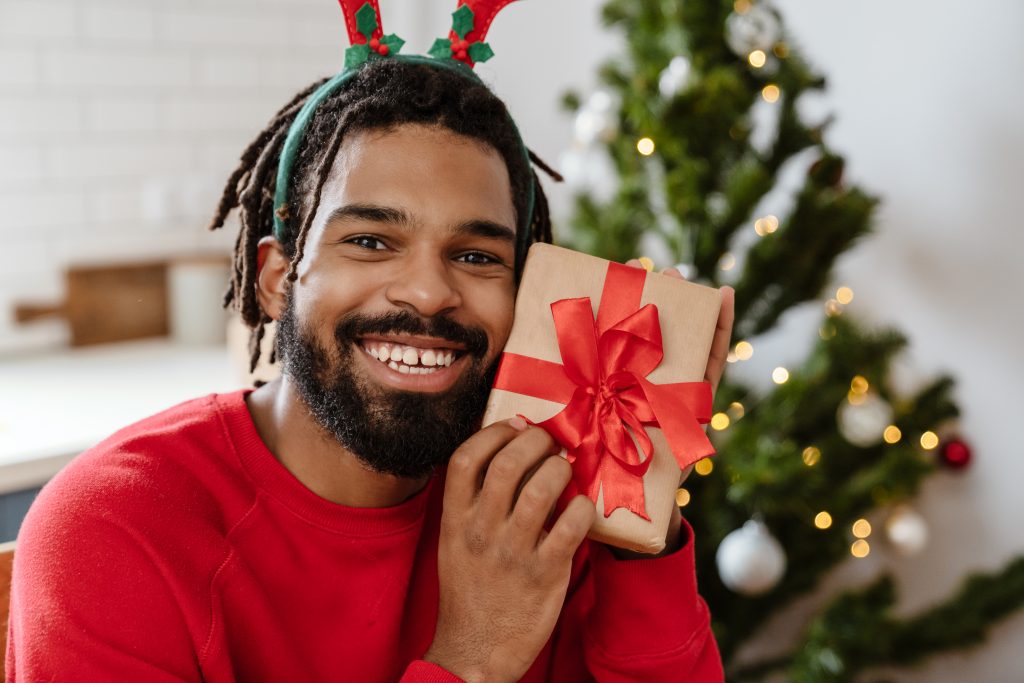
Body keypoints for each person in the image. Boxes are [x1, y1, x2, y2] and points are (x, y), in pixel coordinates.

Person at [7, 55, 732, 682]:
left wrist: (644, 526)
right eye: (370, 240)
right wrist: (472, 657)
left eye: (478, 256)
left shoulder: (533, 494)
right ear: (277, 279)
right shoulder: (112, 529)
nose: (428, 292)